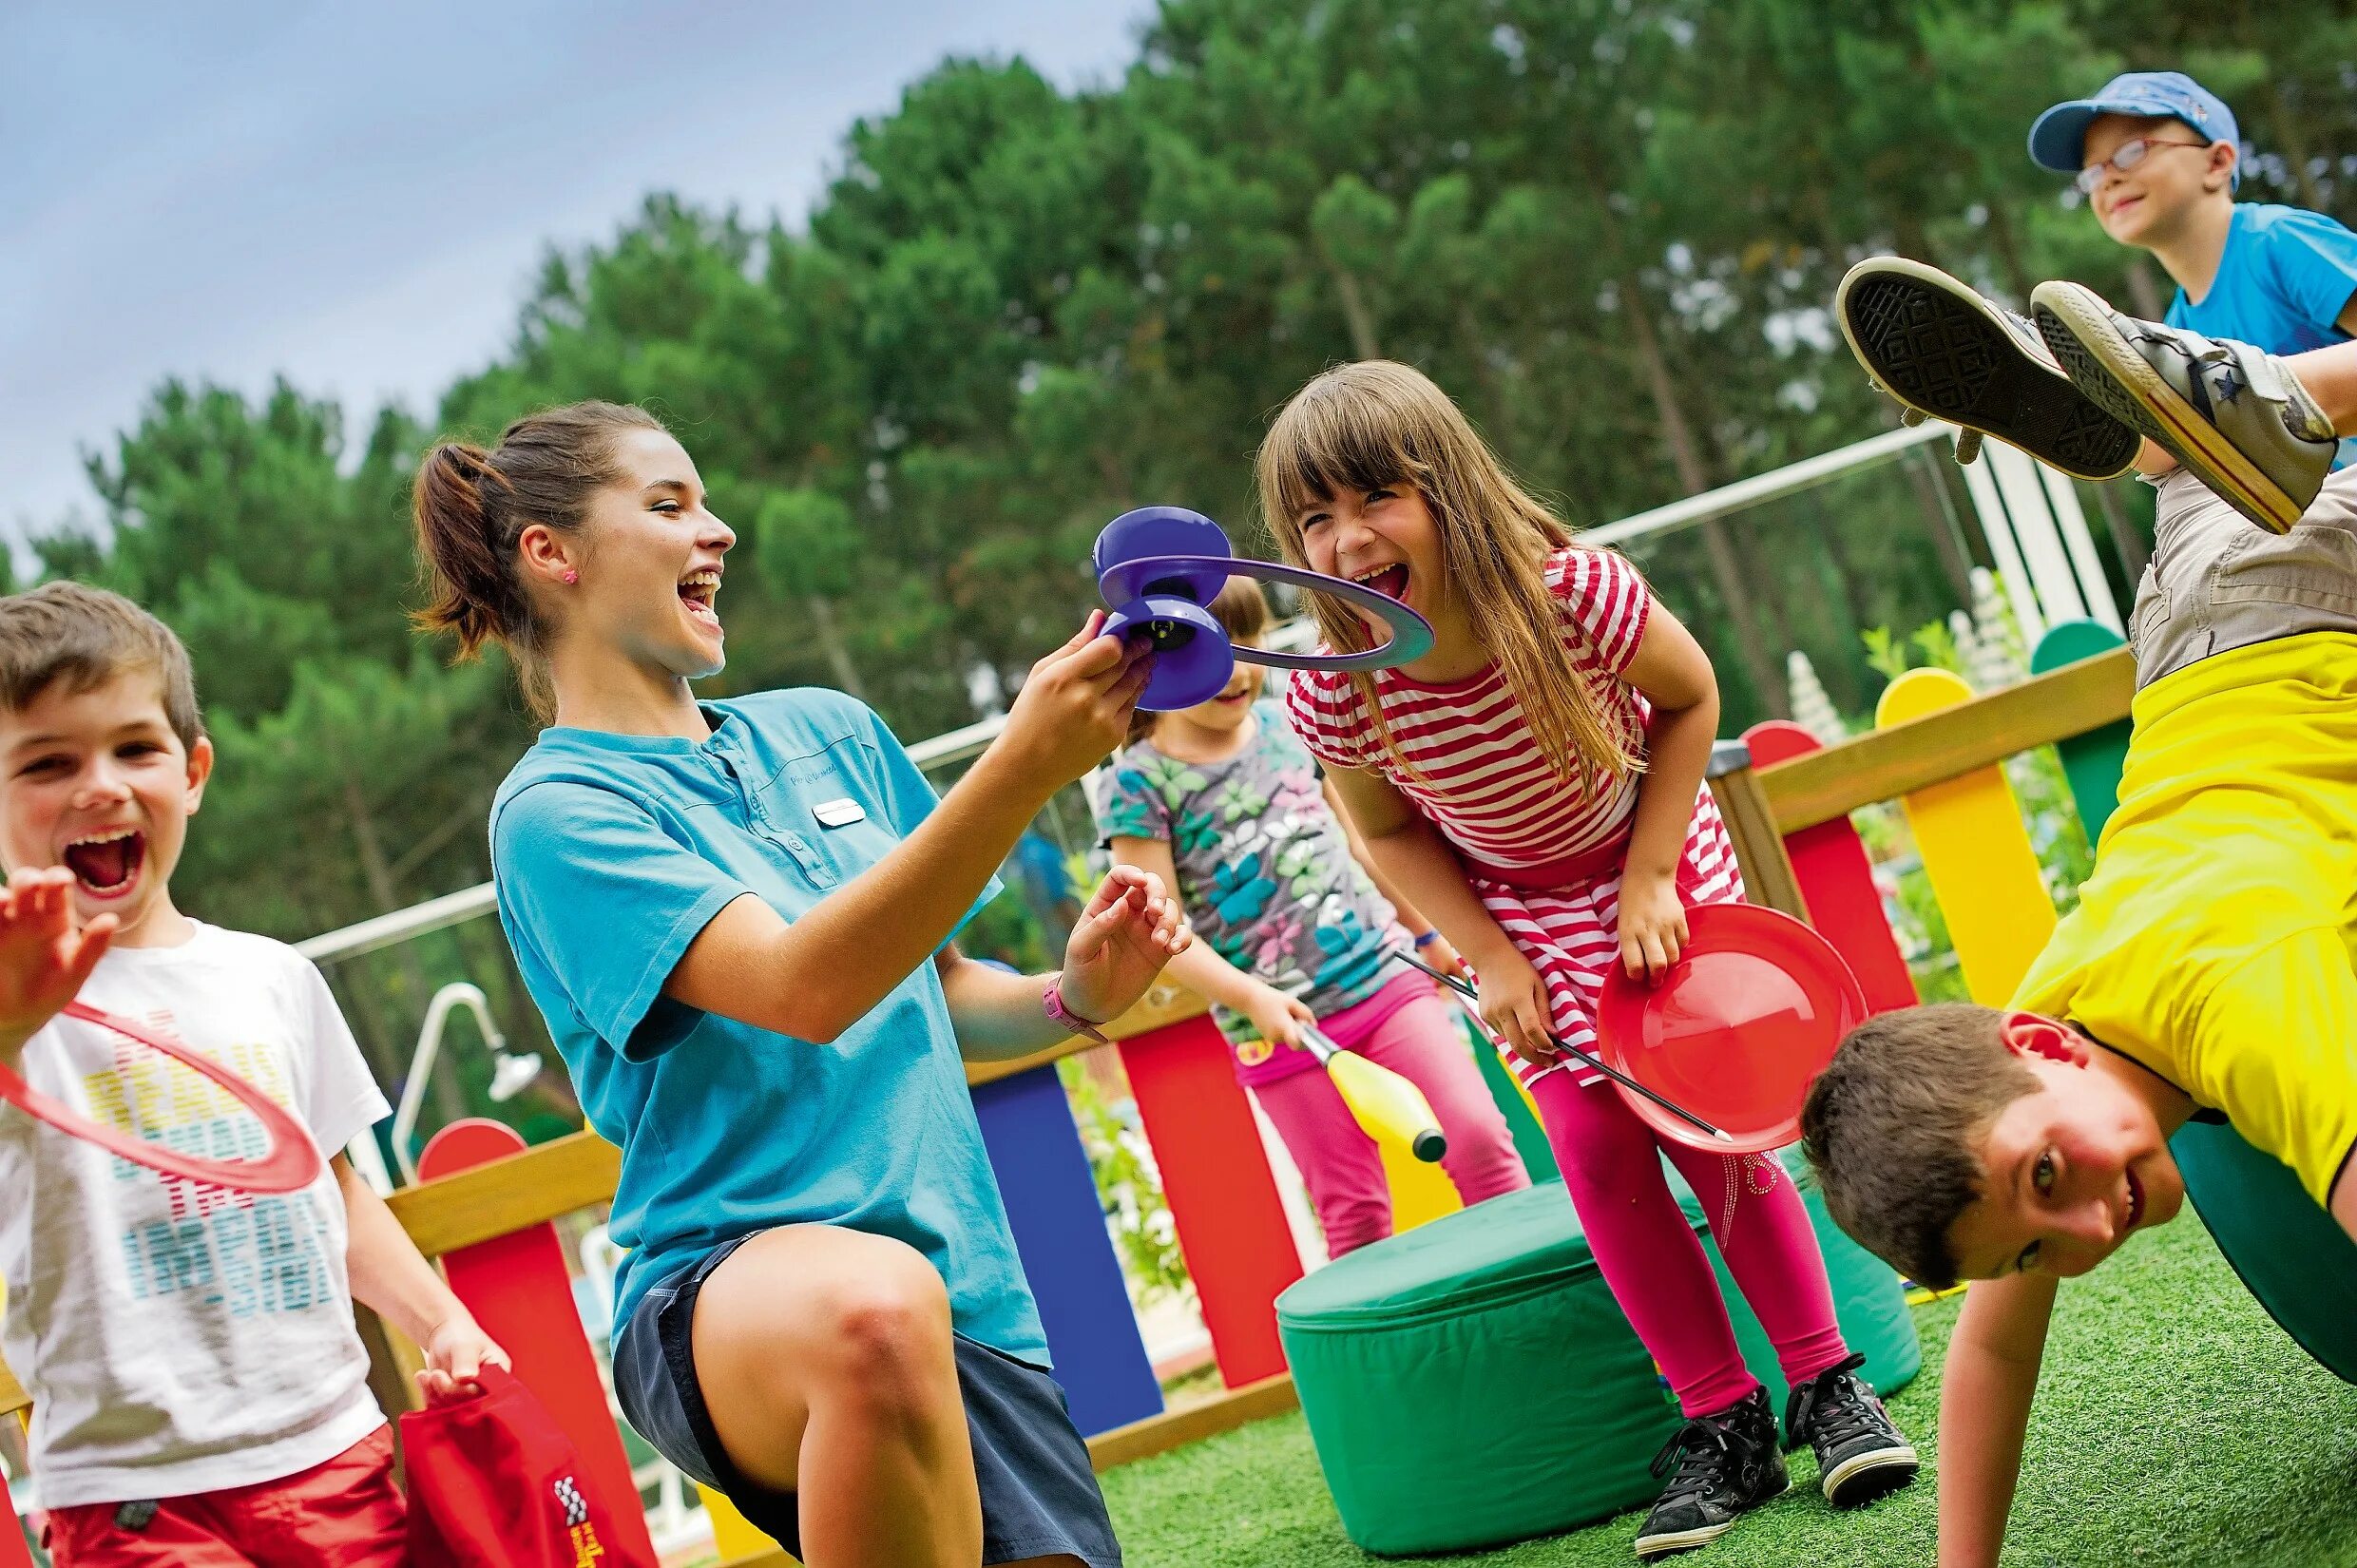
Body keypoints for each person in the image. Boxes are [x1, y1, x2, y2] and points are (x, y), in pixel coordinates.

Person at [410, 401, 1190, 1568]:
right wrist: (1021, 764)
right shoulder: (557, 815)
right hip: (729, 1298)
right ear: (551, 554)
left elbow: (939, 988)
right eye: (668, 506)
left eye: (707, 500)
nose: (715, 531)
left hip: (966, 1300)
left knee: (897, 1313)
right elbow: (801, 989)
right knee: (871, 1312)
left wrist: (1072, 997)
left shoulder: (831, 731)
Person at [1265, 362, 1918, 1558]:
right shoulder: (1341, 685)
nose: (1347, 539)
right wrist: (1486, 957)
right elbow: (1387, 829)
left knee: (1696, 1125)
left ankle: (1827, 1384)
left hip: (1648, 857)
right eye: (1314, 518)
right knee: (1593, 1144)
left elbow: (1689, 700)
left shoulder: (1574, 595)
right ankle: (1721, 1422)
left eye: (1374, 499)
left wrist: (1652, 875)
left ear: (1445, 486)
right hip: (1509, 916)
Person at [1813, 277, 2357, 1568]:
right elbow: (1990, 1348)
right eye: (2039, 1242)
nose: (2086, 1232)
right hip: (2184, 631)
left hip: (2314, 611)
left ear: (2042, 1052)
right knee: (2224, 469)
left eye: (2047, 1185)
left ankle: (2234, 402)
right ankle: (2178, 424)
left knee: (2276, 452)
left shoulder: (2239, 989)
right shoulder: (2044, 1041)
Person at [0, 582, 507, 1566]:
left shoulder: (272, 979)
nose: (98, 785)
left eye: (132, 749)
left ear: (192, 771)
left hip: (331, 1455)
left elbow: (338, 1190)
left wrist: (442, 1320)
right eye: (47, 763)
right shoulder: (10, 1002)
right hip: (134, 1496)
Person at [1095, 578, 1529, 1260]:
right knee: (1352, 1208)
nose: (1239, 668)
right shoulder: (1139, 783)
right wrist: (1249, 997)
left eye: (1252, 641)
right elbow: (1161, 926)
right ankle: (1378, 1365)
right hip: (1282, 1032)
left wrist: (1429, 934)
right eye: (1215, 650)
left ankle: (1550, 1316)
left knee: (1477, 1139)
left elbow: (1368, 842)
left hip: (1386, 982)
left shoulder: (1292, 722)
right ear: (1159, 664)